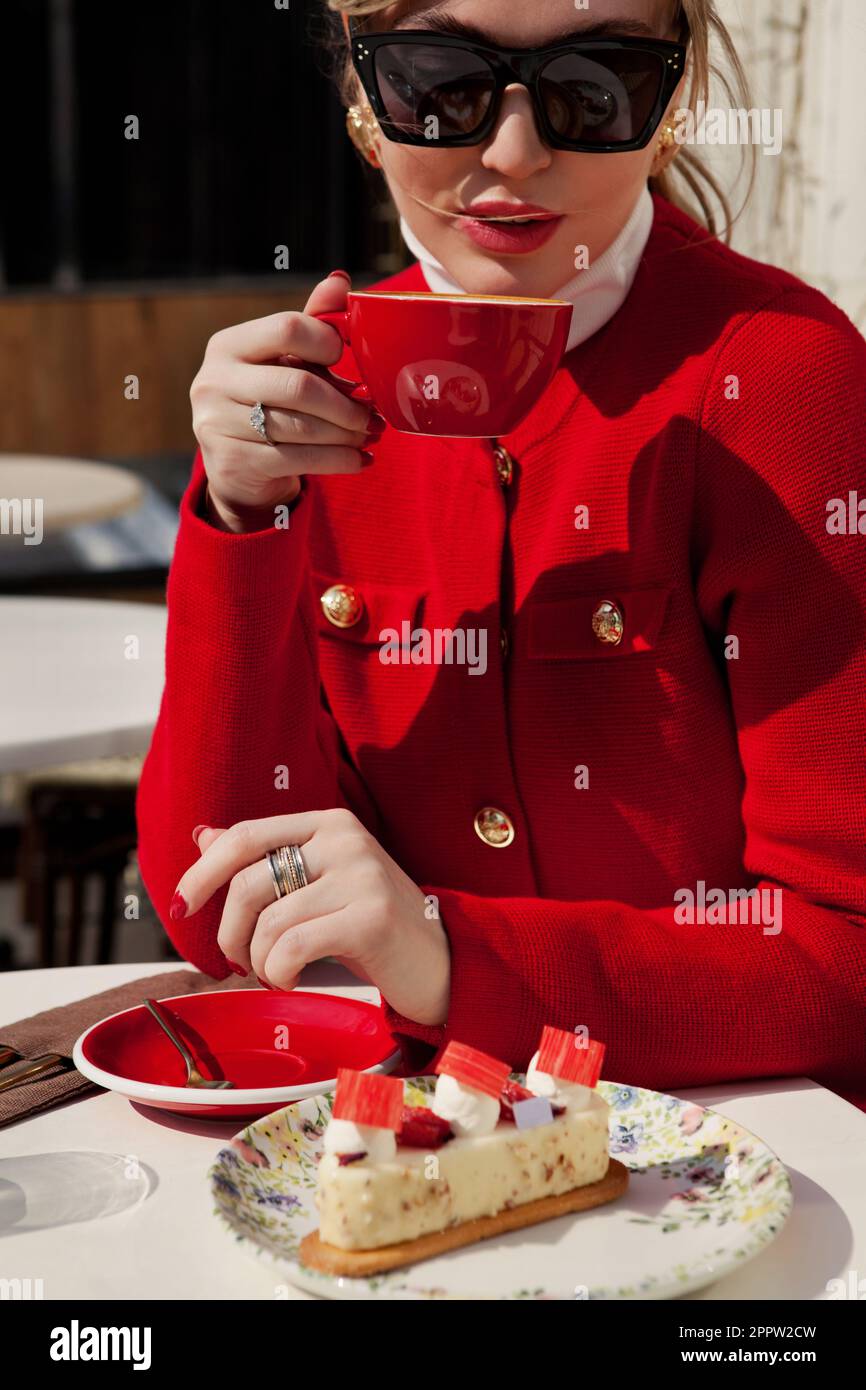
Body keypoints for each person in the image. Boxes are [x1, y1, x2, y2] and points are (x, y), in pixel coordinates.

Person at [136, 0, 866, 1107]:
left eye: (597, 82)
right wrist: (240, 516)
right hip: (386, 1164)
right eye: (438, 80)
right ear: (361, 106)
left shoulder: (783, 381)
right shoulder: (308, 399)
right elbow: (215, 911)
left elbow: (846, 956)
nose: (513, 153)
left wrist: (448, 955)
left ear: (666, 110)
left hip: (733, 1174)